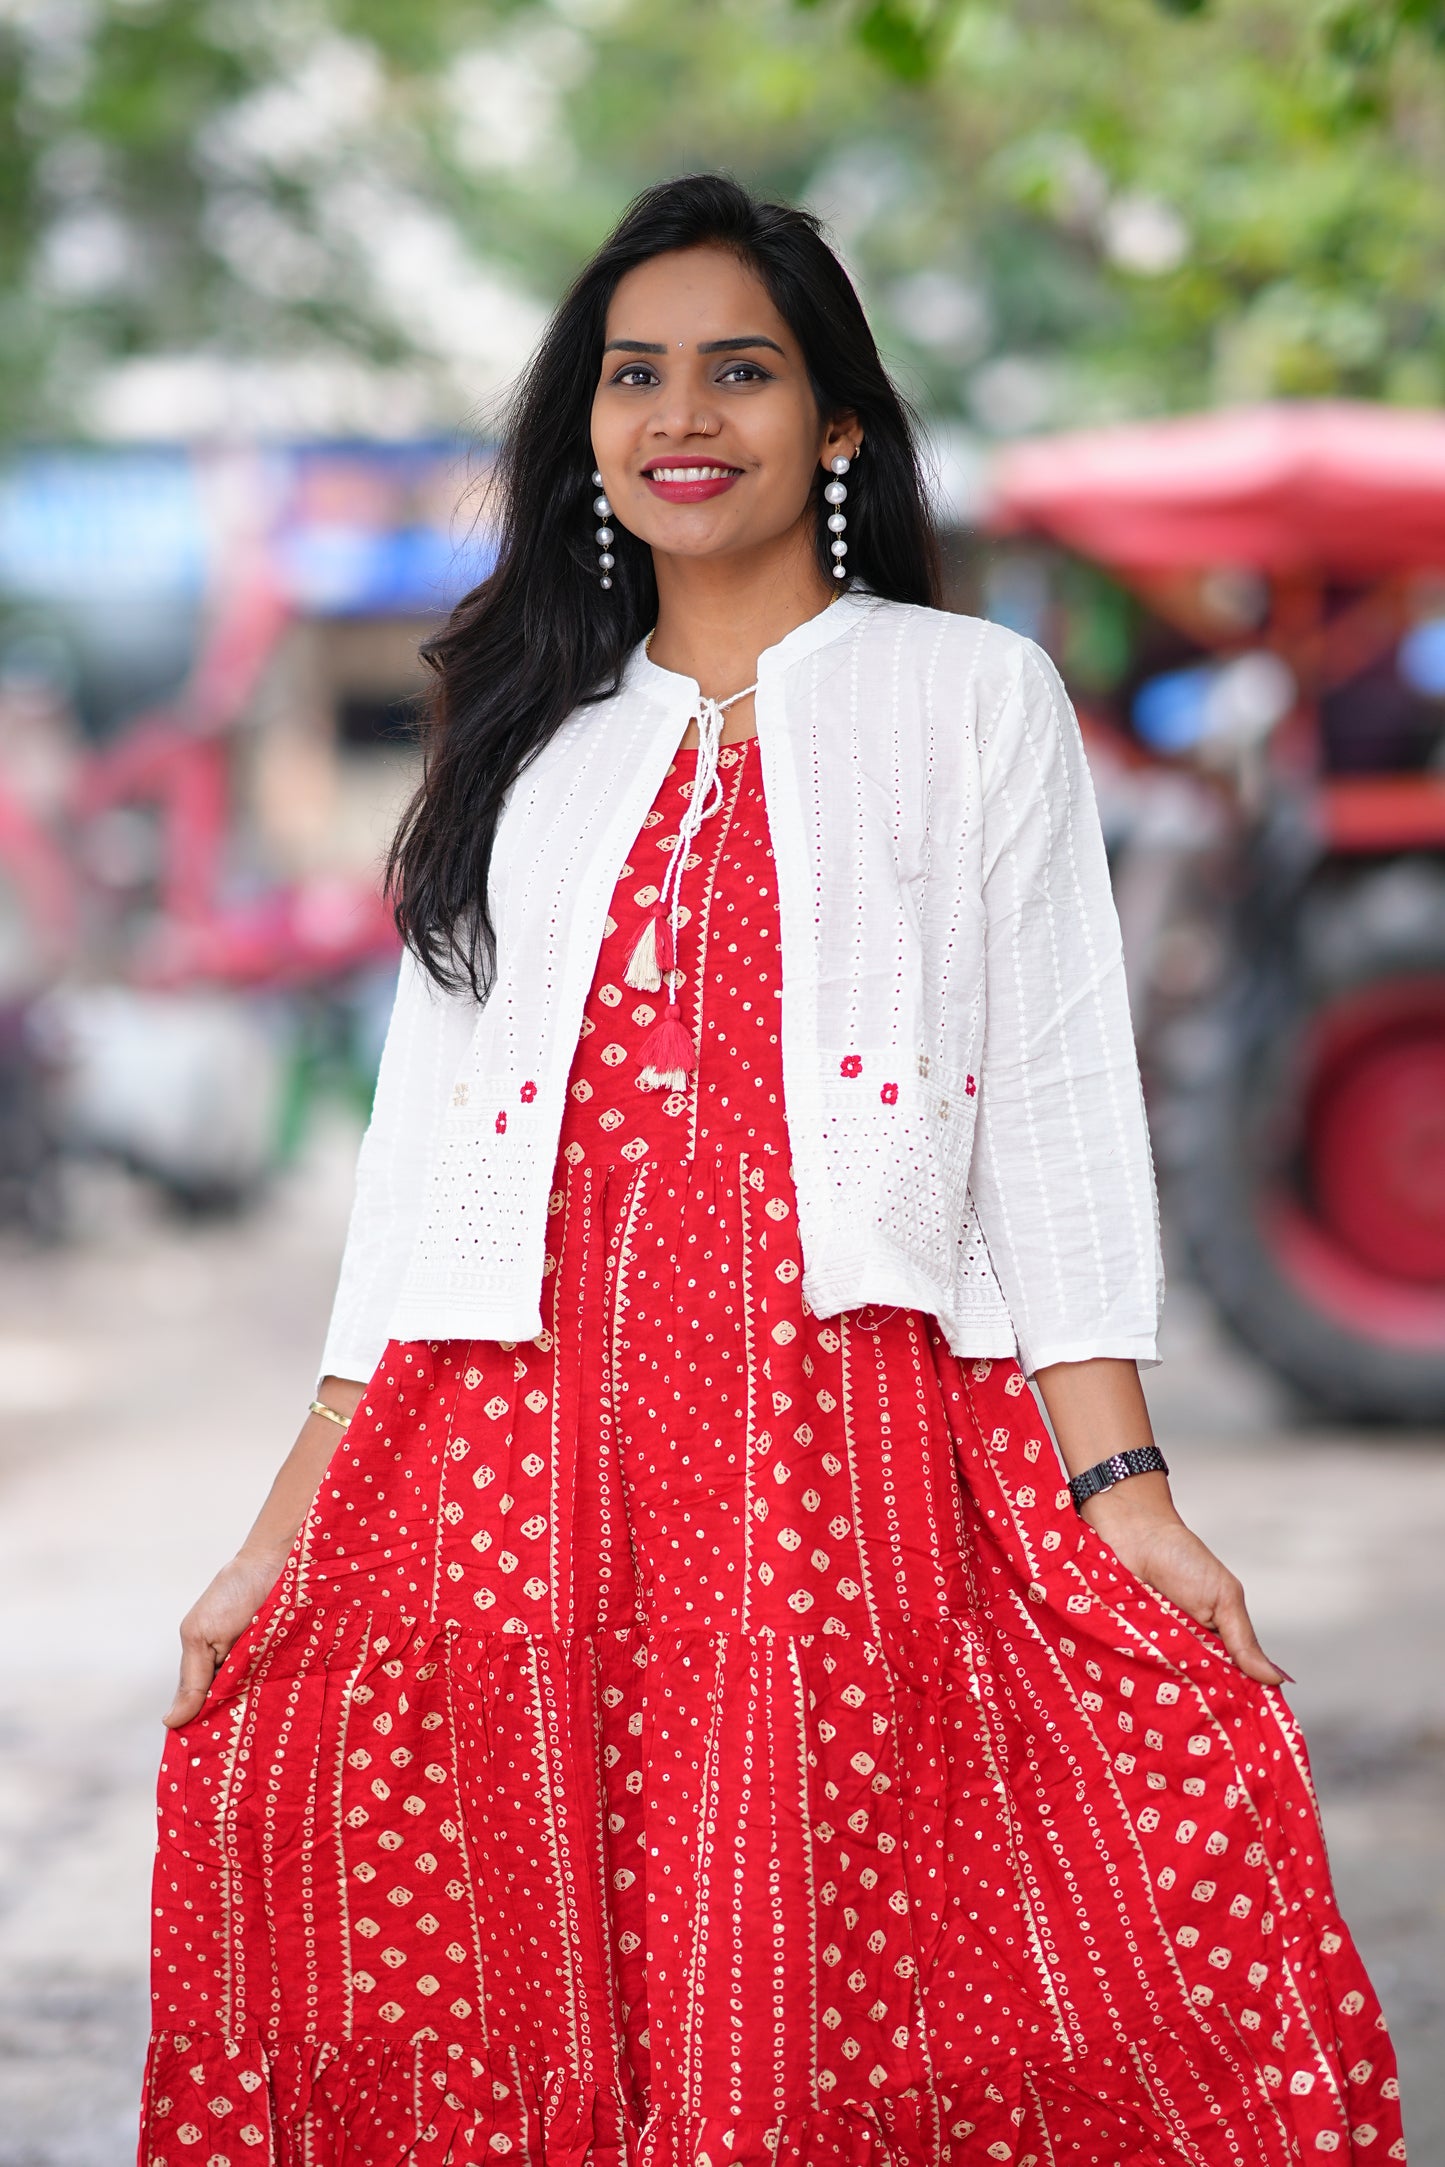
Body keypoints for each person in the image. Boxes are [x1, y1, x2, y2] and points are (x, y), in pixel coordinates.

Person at [140, 176, 1403, 2167]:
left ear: (833, 425)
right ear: (588, 431)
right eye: (634, 374)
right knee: (503, 1952)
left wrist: (1125, 1487)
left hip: (839, 1438)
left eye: (741, 366)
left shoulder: (969, 698)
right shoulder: (521, 741)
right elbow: (420, 1171)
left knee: (844, 1964)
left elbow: (1057, 1097)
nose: (680, 411)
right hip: (519, 1445)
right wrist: (287, 1523)